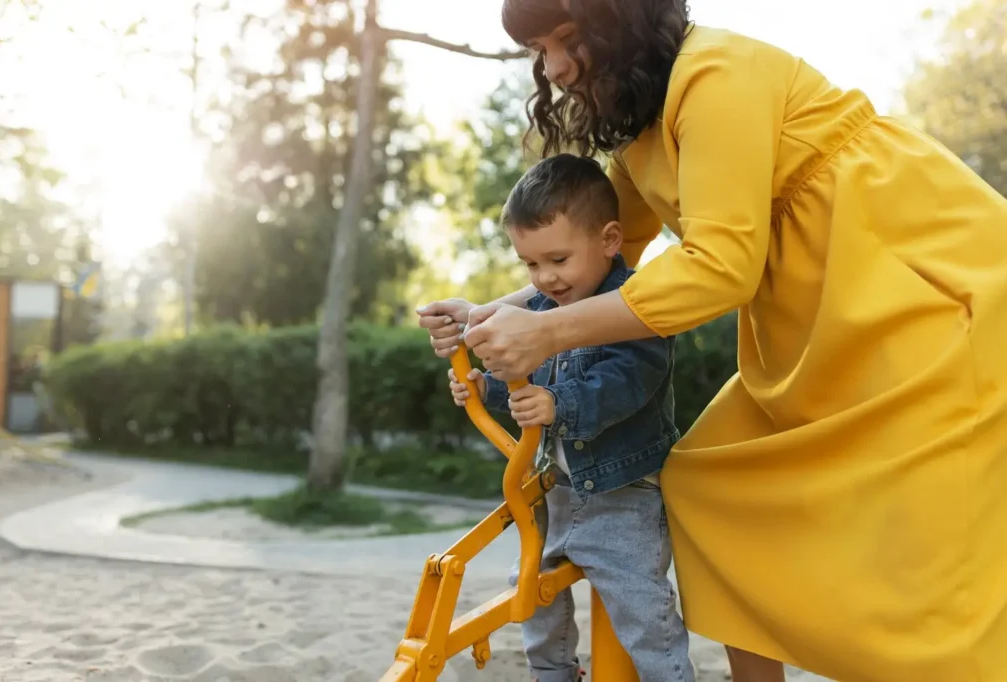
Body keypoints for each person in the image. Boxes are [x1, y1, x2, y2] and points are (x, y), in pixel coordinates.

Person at [417, 1, 1007, 681]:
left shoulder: (714, 77)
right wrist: (487, 316)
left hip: (921, 287)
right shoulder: (643, 132)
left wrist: (545, 331)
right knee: (704, 484)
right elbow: (607, 261)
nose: (551, 67)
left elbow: (719, 270)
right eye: (539, 49)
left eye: (567, 38)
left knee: (932, 540)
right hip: (815, 327)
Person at [445, 153, 695, 682]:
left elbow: (630, 381)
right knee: (532, 593)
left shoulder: (634, 307)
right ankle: (554, 675)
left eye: (558, 260)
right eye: (531, 265)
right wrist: (483, 386)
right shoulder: (537, 310)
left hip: (622, 498)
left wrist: (561, 404)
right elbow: (521, 385)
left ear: (608, 240)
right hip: (554, 494)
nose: (545, 278)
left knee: (643, 613)